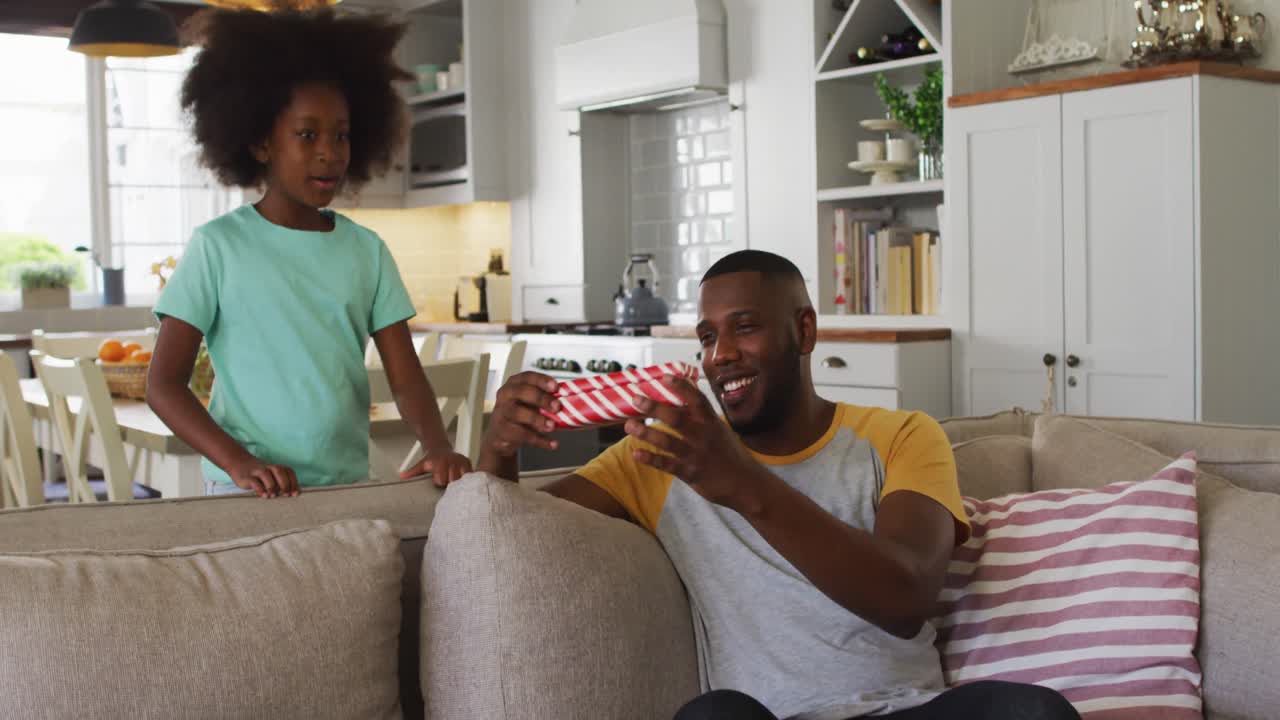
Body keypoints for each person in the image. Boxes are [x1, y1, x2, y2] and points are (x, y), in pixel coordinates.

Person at [476, 250, 1079, 720]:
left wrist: (740, 482)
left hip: (905, 711)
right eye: (709, 337)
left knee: (1032, 711)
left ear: (805, 332)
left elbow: (906, 597)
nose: (723, 355)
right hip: (767, 718)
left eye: (746, 328)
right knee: (711, 717)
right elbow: (507, 534)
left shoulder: (899, 436)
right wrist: (497, 451)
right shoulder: (659, 459)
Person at [147, 9, 470, 499]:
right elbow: (164, 386)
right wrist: (240, 463)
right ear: (259, 142)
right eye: (307, 134)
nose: (329, 152)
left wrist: (438, 445)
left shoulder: (367, 251)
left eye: (340, 135)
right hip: (247, 495)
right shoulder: (218, 247)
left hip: (344, 488)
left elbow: (406, 380)